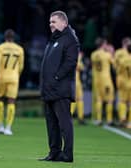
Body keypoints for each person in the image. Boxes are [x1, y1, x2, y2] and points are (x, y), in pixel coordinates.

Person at [39, 11, 79, 162]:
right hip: (49, 89)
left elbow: (71, 62)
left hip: (61, 90)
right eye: (50, 22)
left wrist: (56, 77)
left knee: (64, 123)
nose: (51, 24)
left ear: (64, 23)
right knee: (52, 124)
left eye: (54, 22)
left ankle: (67, 155)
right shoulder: (55, 38)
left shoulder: (70, 39)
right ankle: (54, 152)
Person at [0, 29, 24, 135]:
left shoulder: (0, 48)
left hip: (2, 77)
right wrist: (17, 75)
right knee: (11, 101)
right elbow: (21, 66)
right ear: (14, 38)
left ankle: (0, 126)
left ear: (4, 37)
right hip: (14, 77)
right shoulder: (19, 49)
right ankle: (8, 128)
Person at [91, 37, 114, 125]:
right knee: (109, 100)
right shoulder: (107, 55)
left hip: (97, 80)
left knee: (99, 100)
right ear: (103, 45)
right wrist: (111, 52)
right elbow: (114, 63)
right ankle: (109, 120)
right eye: (105, 44)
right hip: (106, 80)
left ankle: (99, 119)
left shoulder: (93, 54)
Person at [117, 44, 131, 128]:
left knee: (122, 101)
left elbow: (119, 72)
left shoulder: (123, 60)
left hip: (125, 84)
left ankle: (122, 118)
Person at [114, 37, 131, 125]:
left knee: (122, 99)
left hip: (119, 78)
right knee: (130, 101)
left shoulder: (118, 52)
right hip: (130, 80)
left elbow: (114, 65)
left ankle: (122, 118)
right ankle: (130, 120)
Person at [70, 51, 85, 124]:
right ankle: (72, 116)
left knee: (79, 99)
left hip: (73, 81)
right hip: (75, 81)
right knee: (76, 99)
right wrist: (79, 57)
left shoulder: (69, 56)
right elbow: (81, 67)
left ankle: (80, 117)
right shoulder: (75, 57)